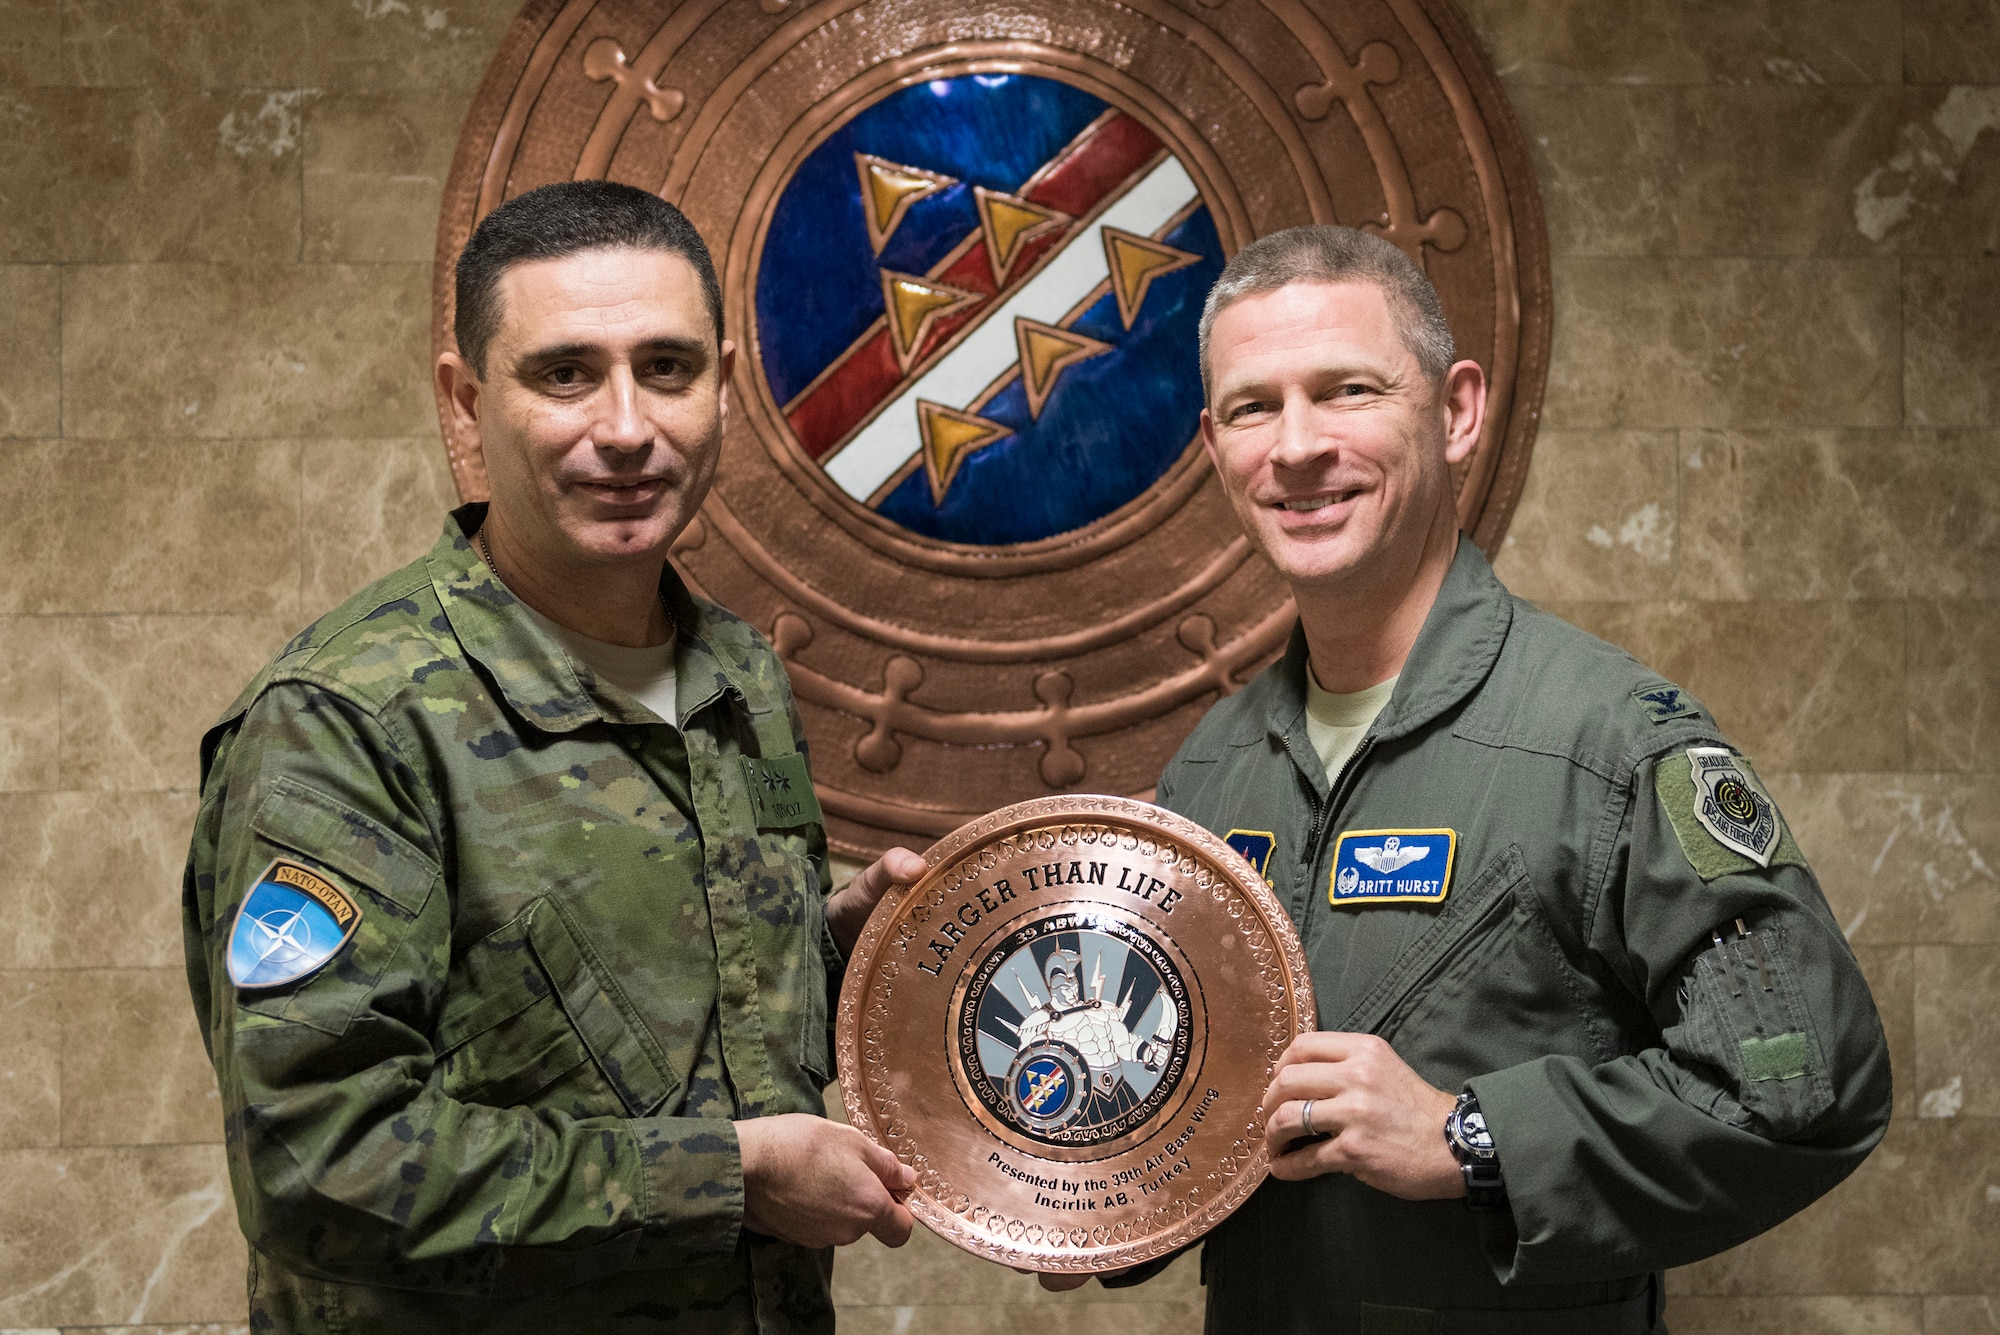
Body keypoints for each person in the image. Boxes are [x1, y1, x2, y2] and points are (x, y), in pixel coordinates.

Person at [1046, 225, 1892, 1332]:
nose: (1296, 447)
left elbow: (1805, 1087)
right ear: (1214, 448)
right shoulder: (1209, 772)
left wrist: (1470, 1137)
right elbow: (1175, 1114)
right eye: (1254, 408)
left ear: (1453, 412)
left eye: (1345, 391)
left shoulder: (1604, 743)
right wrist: (1069, 1190)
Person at [182, 180, 925, 1334]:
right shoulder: (350, 718)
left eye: (667, 368)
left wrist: (827, 950)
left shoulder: (738, 677)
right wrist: (726, 1177)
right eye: (564, 373)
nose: (625, 427)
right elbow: (318, 1162)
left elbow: (642, 1017)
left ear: (723, 383)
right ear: (467, 399)